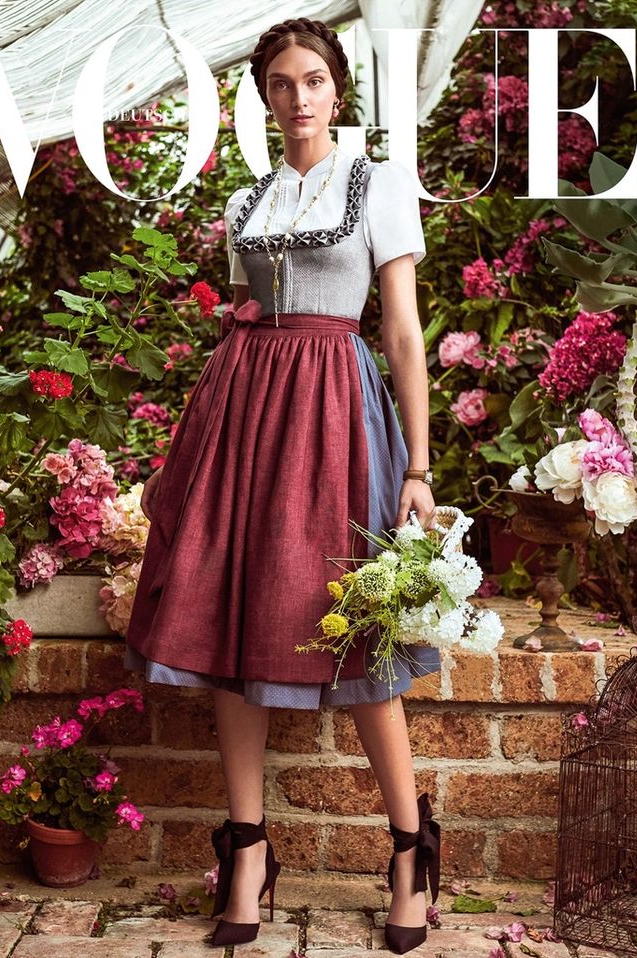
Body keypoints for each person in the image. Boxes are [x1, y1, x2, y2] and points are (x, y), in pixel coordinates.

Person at [125, 16, 441, 954]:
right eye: (278, 85)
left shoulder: (377, 185)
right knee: (228, 617)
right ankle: (249, 846)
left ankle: (407, 846)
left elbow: (400, 333)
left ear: (336, 90)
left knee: (355, 623)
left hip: (334, 416)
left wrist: (418, 468)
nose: (296, 98)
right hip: (242, 418)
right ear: (262, 98)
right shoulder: (248, 200)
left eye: (311, 80)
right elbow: (242, 319)